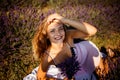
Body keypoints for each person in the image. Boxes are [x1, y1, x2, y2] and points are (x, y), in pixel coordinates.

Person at [23, 13, 101, 80]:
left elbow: (93, 31)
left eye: (60, 29)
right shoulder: (48, 57)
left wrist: (63, 19)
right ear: (47, 35)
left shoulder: (68, 37)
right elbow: (40, 78)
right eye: (52, 31)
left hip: (82, 68)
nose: (58, 33)